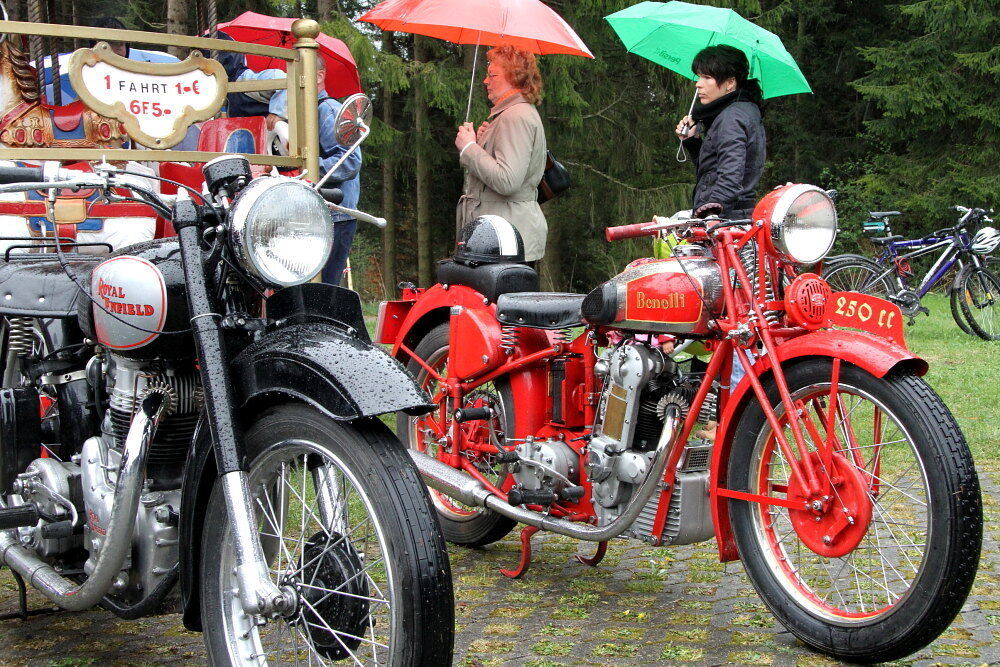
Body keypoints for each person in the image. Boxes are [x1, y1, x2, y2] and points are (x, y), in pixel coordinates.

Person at [265, 57, 362, 285]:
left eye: (300, 75)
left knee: (324, 290)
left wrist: (300, 165)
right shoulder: (302, 115)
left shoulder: (328, 111)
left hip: (335, 215)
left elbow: (349, 162)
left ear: (319, 76)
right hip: (311, 215)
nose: (294, 83)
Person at [454, 45, 547, 264]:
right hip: (501, 237)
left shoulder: (515, 117)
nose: (486, 81)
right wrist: (480, 144)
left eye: (492, 75)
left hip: (504, 241)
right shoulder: (512, 114)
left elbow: (508, 180)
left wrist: (469, 148)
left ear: (514, 78)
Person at [675, 45, 765, 220]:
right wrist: (692, 141)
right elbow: (714, 170)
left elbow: (730, 179)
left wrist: (709, 218)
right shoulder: (743, 110)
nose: (698, 84)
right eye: (699, 76)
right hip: (737, 216)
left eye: (707, 77)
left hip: (725, 224)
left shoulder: (731, 118)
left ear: (730, 83)